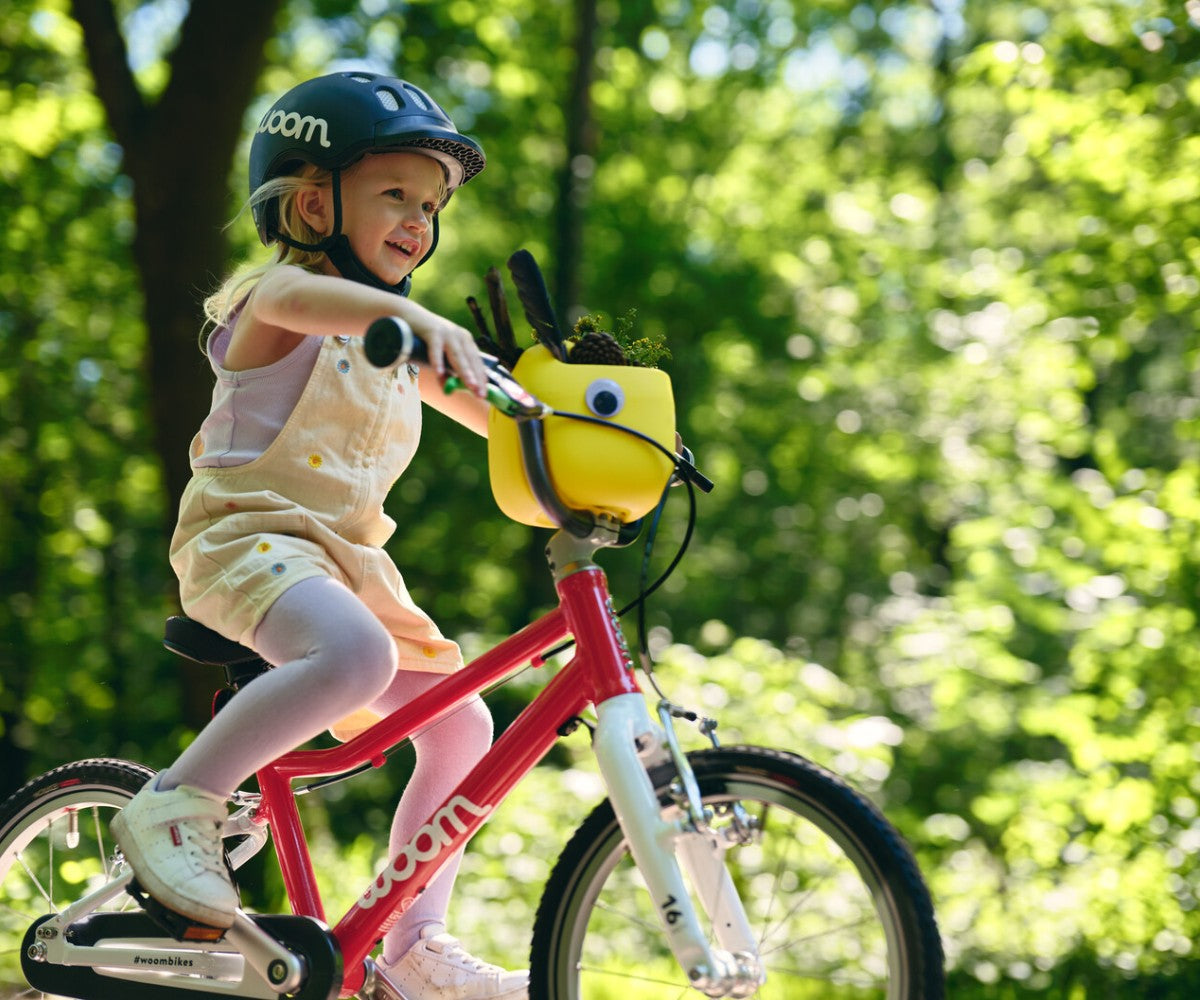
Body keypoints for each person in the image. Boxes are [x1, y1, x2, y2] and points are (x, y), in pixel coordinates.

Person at [109, 71, 527, 1000]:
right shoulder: (279, 299)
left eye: (431, 204)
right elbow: (324, 307)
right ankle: (176, 806)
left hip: (343, 569)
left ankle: (413, 943)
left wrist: (589, 434)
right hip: (243, 542)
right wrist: (414, 318)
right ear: (311, 201)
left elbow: (495, 411)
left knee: (462, 721)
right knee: (356, 658)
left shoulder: (396, 335)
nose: (419, 219)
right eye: (395, 194)